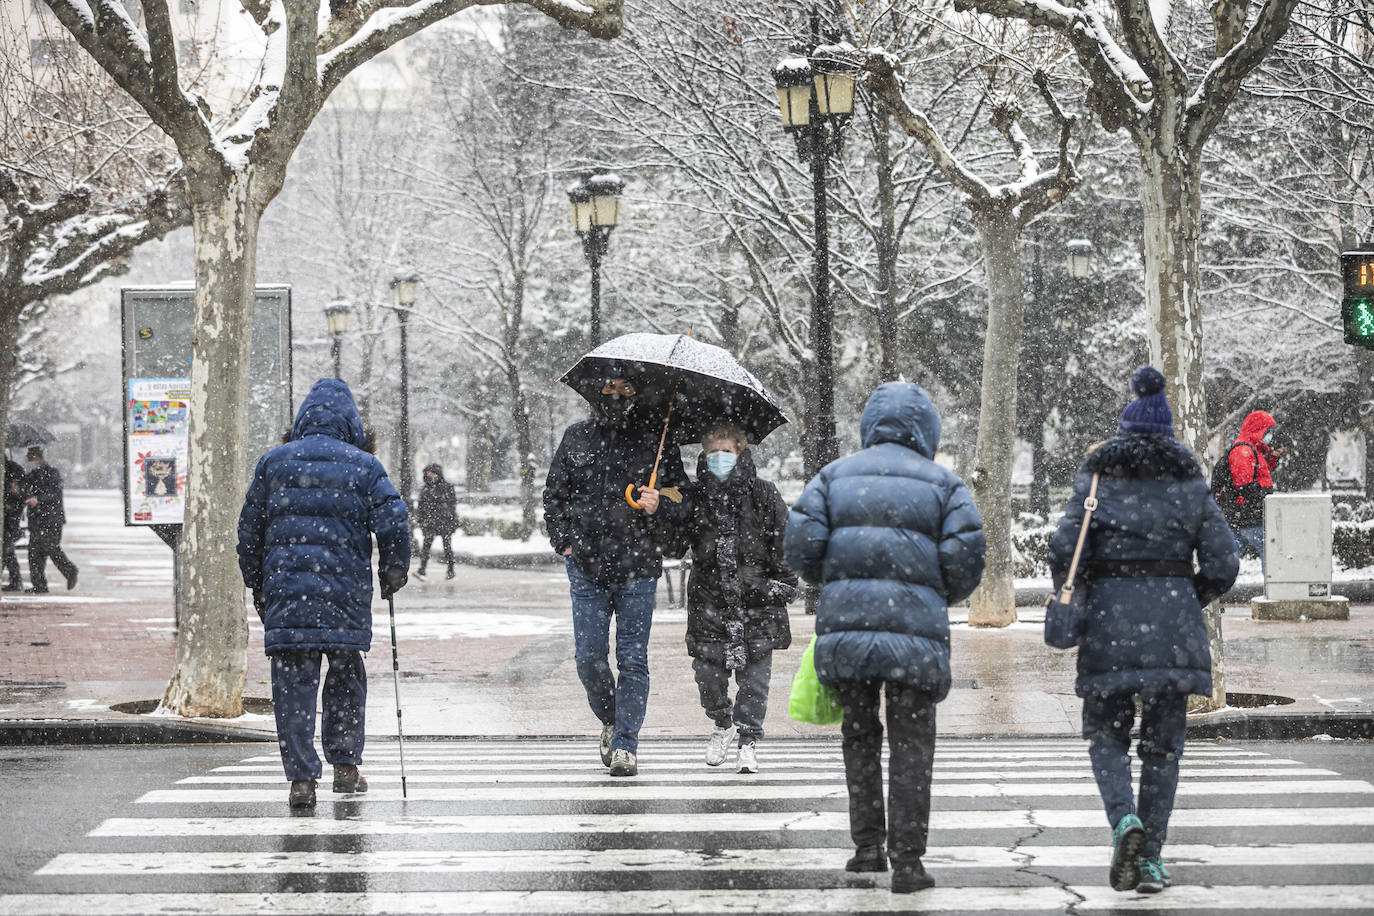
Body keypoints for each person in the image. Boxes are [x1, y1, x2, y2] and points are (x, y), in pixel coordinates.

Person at [783, 382, 985, 894]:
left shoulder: (833, 477)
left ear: (869, 426)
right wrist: (934, 591)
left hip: (848, 634)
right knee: (913, 745)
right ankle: (909, 862)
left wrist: (837, 581)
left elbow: (801, 549)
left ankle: (867, 847)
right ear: (926, 430)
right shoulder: (944, 484)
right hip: (914, 636)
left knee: (860, 735)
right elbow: (966, 561)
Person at [1049, 367, 1238, 894]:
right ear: (1170, 435)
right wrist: (1186, 595)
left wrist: (1091, 591)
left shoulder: (1097, 480)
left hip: (1109, 625)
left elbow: (1065, 549)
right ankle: (1151, 857)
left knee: (1105, 736)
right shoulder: (1192, 485)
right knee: (1162, 749)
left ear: (1123, 430)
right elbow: (1224, 562)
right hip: (1173, 630)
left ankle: (1122, 820)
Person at [237, 378, 411, 810]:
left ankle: (300, 779)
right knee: (345, 677)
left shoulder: (272, 464)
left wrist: (257, 582)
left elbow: (248, 531)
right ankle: (346, 767)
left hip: (288, 594)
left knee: (293, 686)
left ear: (302, 419)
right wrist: (393, 571)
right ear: (351, 422)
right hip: (344, 595)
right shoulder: (365, 466)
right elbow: (394, 522)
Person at [543, 372, 691, 778]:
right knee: (589, 658)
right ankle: (611, 718)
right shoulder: (577, 437)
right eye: (608, 385)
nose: (616, 394)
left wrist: (660, 501)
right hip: (586, 567)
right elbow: (554, 494)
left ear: (639, 393)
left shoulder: (657, 442)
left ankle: (627, 742)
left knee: (632, 659)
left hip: (638, 568)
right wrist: (565, 541)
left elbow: (684, 497)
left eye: (626, 387)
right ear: (597, 390)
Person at [674, 423, 797, 773]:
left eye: (726, 451)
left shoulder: (764, 494)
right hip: (707, 606)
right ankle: (722, 724)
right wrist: (659, 507)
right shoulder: (694, 497)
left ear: (741, 452)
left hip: (756, 606)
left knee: (754, 684)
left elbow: (784, 546)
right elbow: (671, 544)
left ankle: (748, 740)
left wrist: (780, 587)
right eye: (712, 452)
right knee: (708, 681)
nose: (719, 459)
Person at [1220, 410, 1284, 566]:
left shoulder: (1253, 449)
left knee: (1234, 552)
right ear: (1258, 429)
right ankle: (1273, 584)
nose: (1268, 435)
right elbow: (1244, 485)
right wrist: (1262, 494)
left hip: (1248, 513)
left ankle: (1214, 580)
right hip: (1248, 513)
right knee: (1269, 552)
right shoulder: (1243, 450)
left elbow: (1260, 474)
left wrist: (1273, 457)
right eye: (1266, 431)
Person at [23, 446, 77, 593]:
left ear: (37, 458)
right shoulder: (32, 475)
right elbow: (24, 489)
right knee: (34, 553)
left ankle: (70, 571)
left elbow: (55, 493)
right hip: (37, 520)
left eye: (30, 458)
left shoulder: (52, 473)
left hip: (51, 519)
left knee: (51, 547)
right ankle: (39, 585)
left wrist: (38, 499)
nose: (28, 461)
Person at [415, 463, 458, 580]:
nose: (430, 475)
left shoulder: (446, 487)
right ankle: (422, 570)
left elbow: (452, 505)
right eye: (428, 473)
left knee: (447, 547)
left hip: (444, 521)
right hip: (430, 522)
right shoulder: (426, 489)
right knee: (426, 546)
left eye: (432, 473)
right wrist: (422, 520)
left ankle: (450, 570)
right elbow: (421, 506)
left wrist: (450, 519)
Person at [4, 457, 26, 591]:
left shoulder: (14, 470)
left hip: (10, 516)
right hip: (10, 515)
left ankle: (16, 580)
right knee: (7, 549)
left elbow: (19, 495)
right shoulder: (14, 469)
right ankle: (15, 579)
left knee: (6, 548)